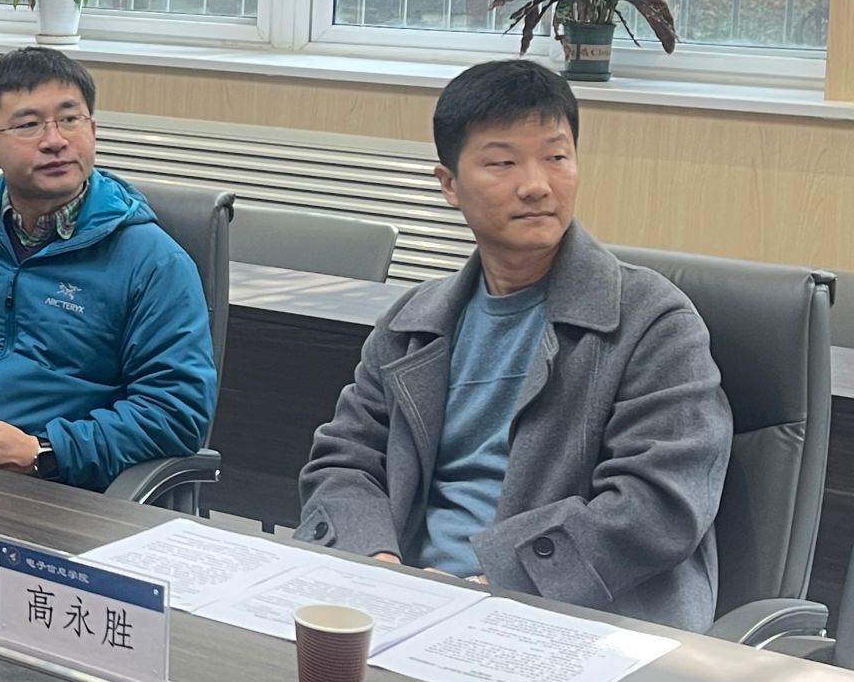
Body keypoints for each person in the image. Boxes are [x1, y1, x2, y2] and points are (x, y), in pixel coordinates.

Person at [296, 59, 731, 631]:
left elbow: (658, 504)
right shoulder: (412, 323)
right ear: (449, 185)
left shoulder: (652, 320)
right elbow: (344, 460)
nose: (536, 185)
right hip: (405, 600)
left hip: (571, 618)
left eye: (557, 157)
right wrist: (379, 567)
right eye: (502, 162)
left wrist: (494, 586)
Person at [0, 47, 217, 492]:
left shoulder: (154, 262)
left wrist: (44, 452)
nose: (55, 140)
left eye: (70, 119)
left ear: (93, 131)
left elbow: (175, 411)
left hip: (61, 491)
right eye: (28, 125)